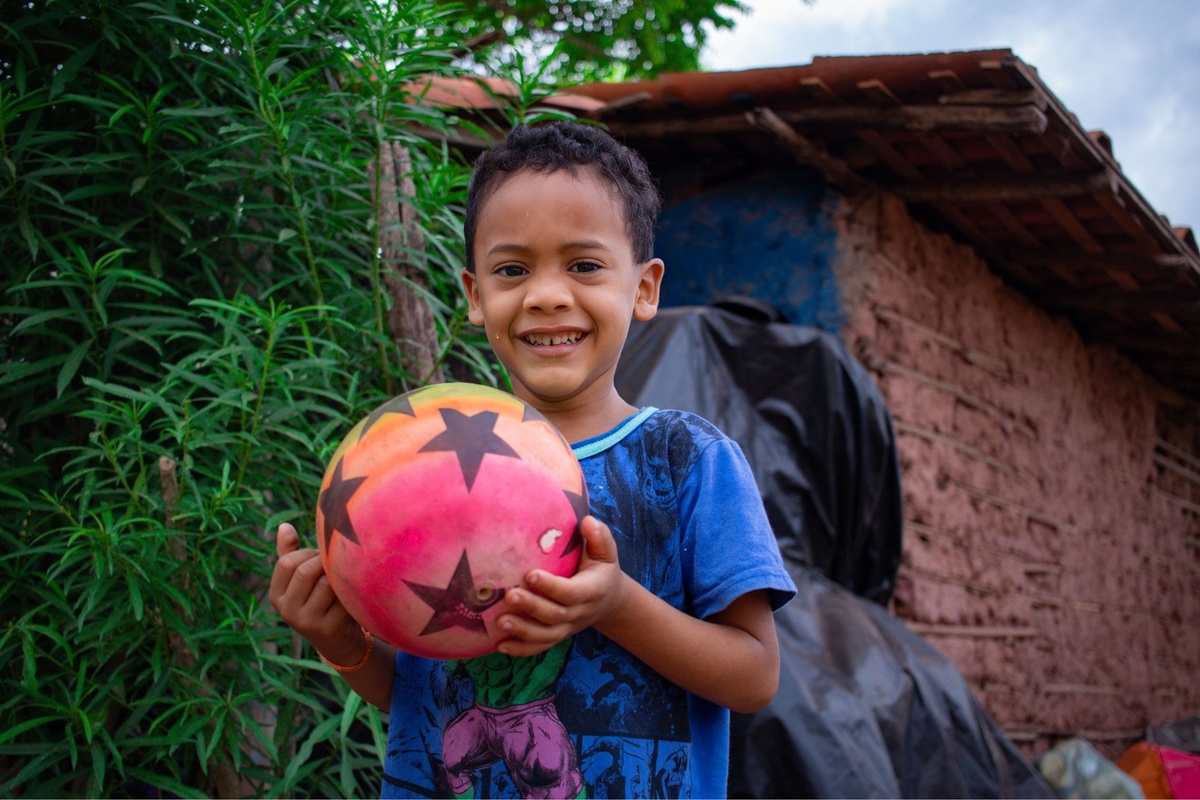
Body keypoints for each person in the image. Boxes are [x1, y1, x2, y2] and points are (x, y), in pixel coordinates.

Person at [270, 121, 797, 798]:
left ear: (644, 287)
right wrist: (342, 644)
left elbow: (754, 677)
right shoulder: (417, 460)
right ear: (475, 294)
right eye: (512, 270)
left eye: (584, 265)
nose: (546, 295)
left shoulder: (686, 460)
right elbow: (425, 696)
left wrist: (617, 605)